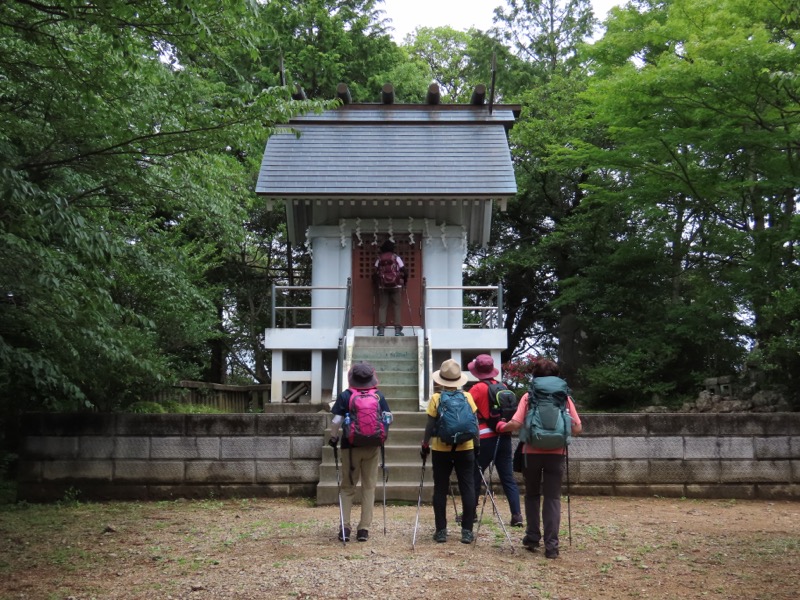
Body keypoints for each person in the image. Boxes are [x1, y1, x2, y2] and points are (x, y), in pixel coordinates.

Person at [495, 358, 582, 559]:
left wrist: (501, 426)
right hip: (557, 454)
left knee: (532, 495)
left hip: (531, 453)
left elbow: (516, 423)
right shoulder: (564, 398)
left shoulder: (529, 396)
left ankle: (533, 537)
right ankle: (552, 546)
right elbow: (577, 428)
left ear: (535, 376)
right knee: (552, 498)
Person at [328, 362, 392, 542]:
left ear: (352, 378)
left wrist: (333, 438)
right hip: (372, 446)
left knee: (348, 487)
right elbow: (388, 418)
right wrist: (382, 434)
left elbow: (335, 422)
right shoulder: (378, 396)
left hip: (350, 447)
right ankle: (364, 529)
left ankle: (345, 527)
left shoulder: (346, 395)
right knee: (369, 486)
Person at [420, 359, 479, 544]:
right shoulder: (467, 397)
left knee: (440, 489)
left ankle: (441, 531)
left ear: (441, 380)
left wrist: (425, 444)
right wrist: (477, 445)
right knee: (467, 487)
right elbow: (474, 424)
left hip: (440, 448)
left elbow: (430, 425)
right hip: (465, 448)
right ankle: (467, 531)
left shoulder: (437, 398)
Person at [467, 354, 523, 527]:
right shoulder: (503, 386)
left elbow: (466, 409)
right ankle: (517, 515)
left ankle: (471, 513)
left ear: (477, 372)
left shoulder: (476, 389)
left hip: (484, 437)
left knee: (475, 475)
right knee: (508, 477)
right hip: (504, 436)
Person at [374, 239, 407, 336]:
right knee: (396, 306)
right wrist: (405, 281)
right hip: (396, 285)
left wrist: (377, 283)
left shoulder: (379, 259)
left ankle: (381, 330)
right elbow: (404, 270)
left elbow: (374, 272)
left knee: (383, 306)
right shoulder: (396, 258)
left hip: (383, 286)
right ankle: (397, 330)